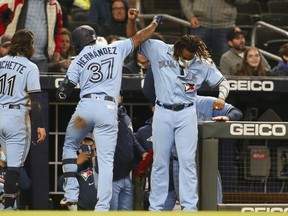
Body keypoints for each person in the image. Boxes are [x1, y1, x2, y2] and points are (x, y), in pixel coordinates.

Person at [55, 8, 162, 211]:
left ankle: (70, 192)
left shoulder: (78, 59)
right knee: (105, 162)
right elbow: (139, 37)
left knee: (70, 145)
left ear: (78, 43)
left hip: (85, 108)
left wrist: (70, 66)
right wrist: (154, 24)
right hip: (108, 108)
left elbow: (62, 93)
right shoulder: (115, 47)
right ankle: (102, 208)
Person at [127, 12, 230, 211]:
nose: (188, 60)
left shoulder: (202, 61)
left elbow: (223, 82)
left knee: (187, 162)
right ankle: (156, 208)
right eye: (185, 56)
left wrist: (221, 97)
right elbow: (134, 39)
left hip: (186, 113)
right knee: (160, 162)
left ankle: (189, 208)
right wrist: (132, 21)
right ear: (178, 48)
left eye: (191, 57)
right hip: (163, 111)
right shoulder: (157, 49)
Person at [0, 29, 46, 210]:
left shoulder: (0, 62)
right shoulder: (30, 66)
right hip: (16, 117)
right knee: (13, 169)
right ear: (30, 45)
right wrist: (40, 125)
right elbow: (35, 100)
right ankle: (8, 209)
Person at [172, 95, 243, 205]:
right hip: (179, 163)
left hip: (206, 162)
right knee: (187, 206)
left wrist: (227, 117)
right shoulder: (168, 105)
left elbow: (236, 112)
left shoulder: (205, 102)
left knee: (213, 203)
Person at [180, 0, 250, 66]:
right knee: (192, 62)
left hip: (226, 26)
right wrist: (190, 16)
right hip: (200, 24)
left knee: (226, 63)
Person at [0, 0, 63, 72]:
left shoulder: (54, 4)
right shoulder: (11, 1)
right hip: (14, 57)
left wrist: (57, 50)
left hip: (42, 59)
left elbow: (58, 30)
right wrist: (1, 44)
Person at [108, 91, 146, 210]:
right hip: (111, 177)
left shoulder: (125, 116)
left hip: (126, 175)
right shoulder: (105, 114)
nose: (116, 96)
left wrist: (142, 152)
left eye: (118, 94)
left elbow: (131, 138)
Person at [135, 105, 176, 211]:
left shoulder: (176, 129)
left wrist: (178, 188)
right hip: (151, 187)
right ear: (153, 108)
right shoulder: (142, 132)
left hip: (170, 187)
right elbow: (136, 162)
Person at [59, 134, 97, 210]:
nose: (83, 144)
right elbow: (61, 184)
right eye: (80, 142)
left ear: (93, 145)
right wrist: (76, 164)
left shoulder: (101, 162)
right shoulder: (73, 165)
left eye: (86, 141)